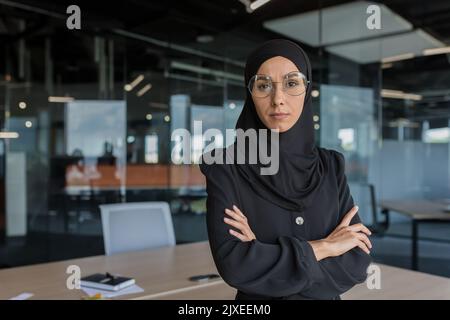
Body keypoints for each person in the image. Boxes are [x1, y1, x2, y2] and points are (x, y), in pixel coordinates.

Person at [199, 39, 372, 300]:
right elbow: (236, 267)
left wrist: (266, 261)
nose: (278, 99)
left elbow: (357, 263)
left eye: (292, 83)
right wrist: (326, 247)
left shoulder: (331, 167)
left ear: (307, 89)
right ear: (250, 94)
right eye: (263, 85)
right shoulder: (226, 168)